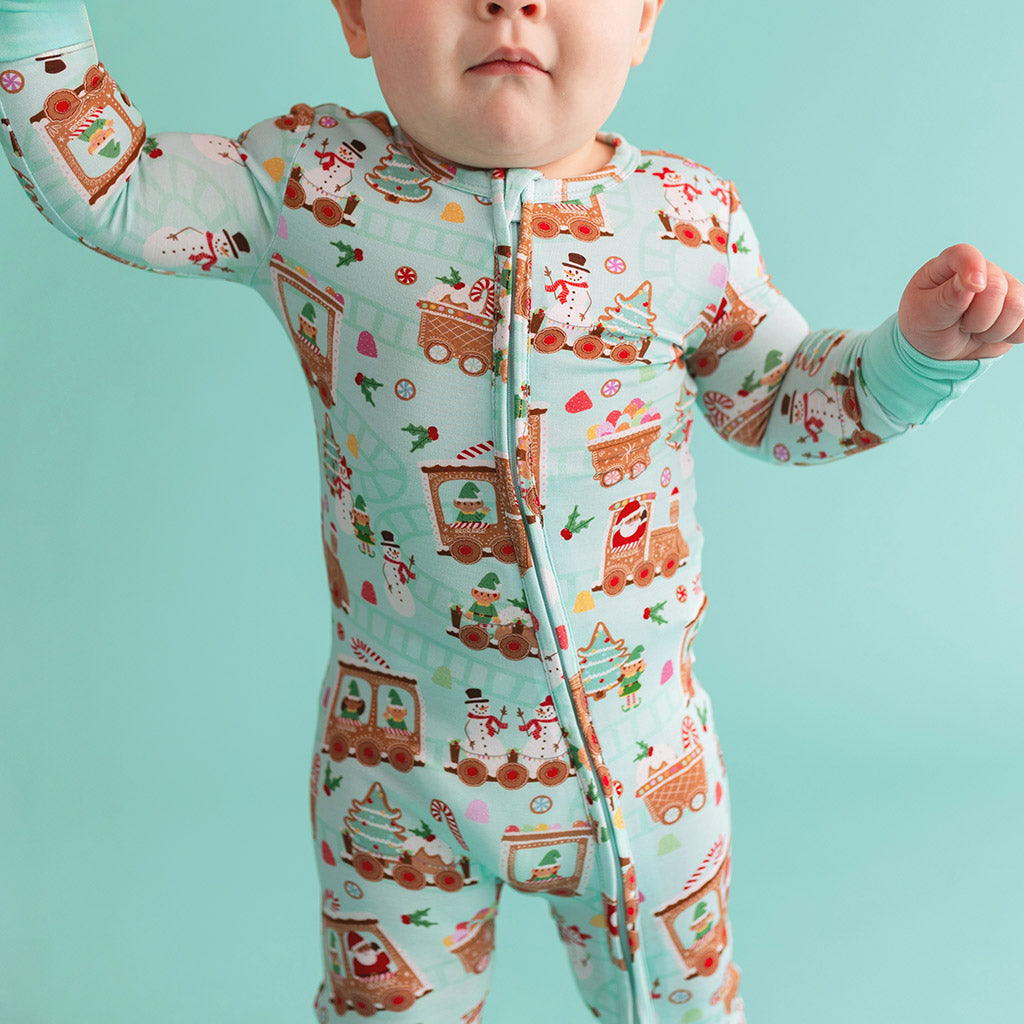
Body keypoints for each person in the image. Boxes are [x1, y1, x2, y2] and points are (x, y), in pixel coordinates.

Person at [0, 1, 1020, 1022]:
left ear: (643, 18)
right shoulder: (313, 184)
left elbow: (785, 396)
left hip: (645, 768)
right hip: (397, 773)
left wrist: (912, 356)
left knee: (685, 1008)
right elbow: (117, 186)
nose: (509, 2)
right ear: (355, 13)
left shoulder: (685, 223)